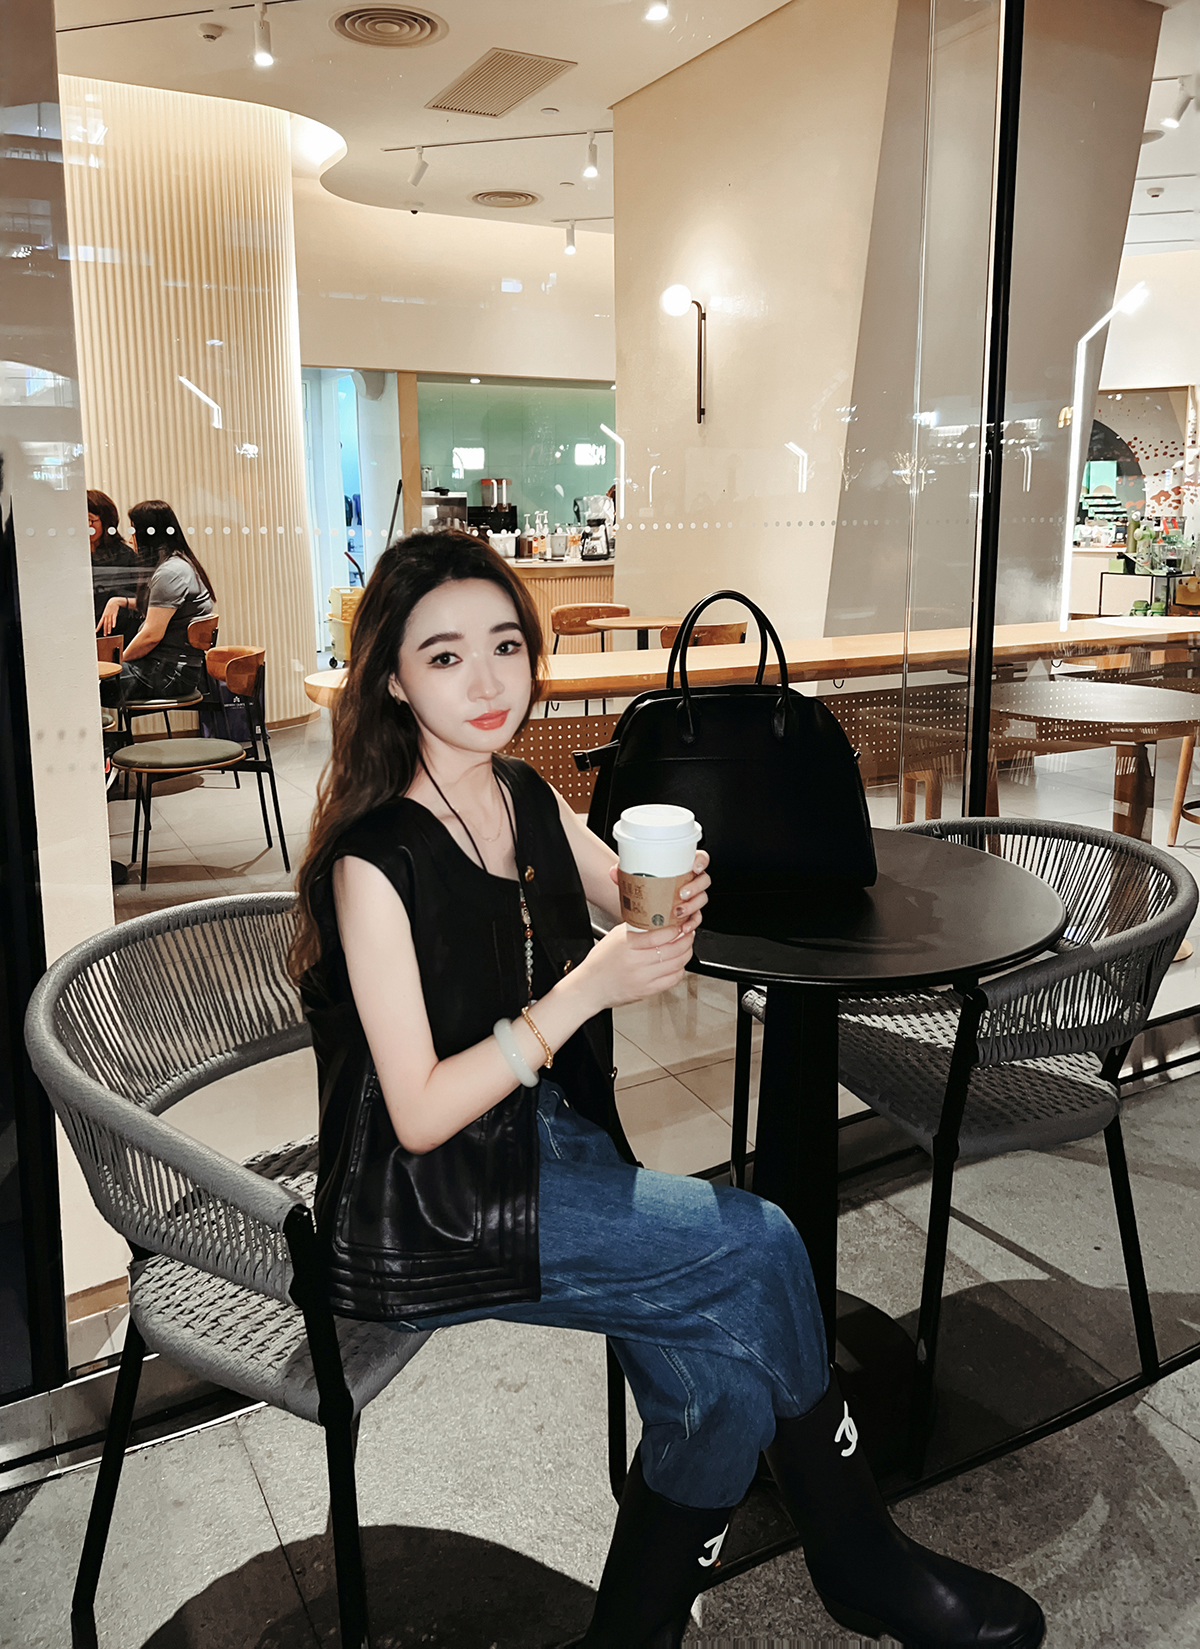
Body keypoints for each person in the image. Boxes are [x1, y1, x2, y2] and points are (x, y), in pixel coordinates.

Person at [289, 530, 1045, 1649]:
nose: (487, 680)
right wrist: (586, 989)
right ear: (394, 680)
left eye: (505, 645)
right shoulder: (374, 861)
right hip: (431, 1201)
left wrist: (676, 889)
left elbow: (626, 892)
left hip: (548, 1141)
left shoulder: (520, 793)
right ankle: (860, 1557)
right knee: (762, 1241)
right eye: (444, 656)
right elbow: (420, 1113)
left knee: (721, 1398)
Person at [97, 499, 216, 702]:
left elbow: (151, 636)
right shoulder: (180, 563)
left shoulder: (170, 573)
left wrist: (117, 663)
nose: (131, 538)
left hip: (167, 674)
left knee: (85, 682)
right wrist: (119, 601)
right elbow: (161, 607)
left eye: (134, 531)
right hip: (175, 670)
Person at [87, 490, 144, 644]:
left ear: (106, 521)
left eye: (91, 520)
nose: (87, 526)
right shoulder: (74, 556)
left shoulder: (124, 556)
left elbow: (141, 600)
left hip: (119, 634)